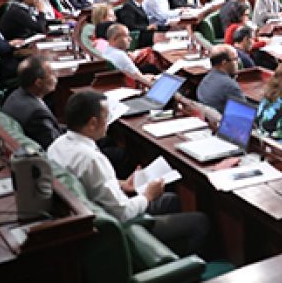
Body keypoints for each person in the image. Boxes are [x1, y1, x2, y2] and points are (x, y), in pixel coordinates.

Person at [48, 91, 208, 256]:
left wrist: (122, 184)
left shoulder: (57, 146)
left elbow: (87, 181)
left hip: (89, 213)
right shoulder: (91, 159)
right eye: (106, 116)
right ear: (92, 123)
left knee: (171, 200)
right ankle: (178, 264)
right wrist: (147, 196)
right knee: (200, 221)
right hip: (119, 227)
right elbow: (123, 213)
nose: (109, 121)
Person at [2, 55, 62, 149]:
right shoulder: (37, 115)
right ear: (38, 83)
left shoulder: (15, 95)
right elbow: (55, 146)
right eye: (52, 73)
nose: (56, 76)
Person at [197, 44, 244, 113]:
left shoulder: (205, 80)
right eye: (235, 59)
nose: (238, 62)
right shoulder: (230, 86)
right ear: (224, 63)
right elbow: (244, 112)